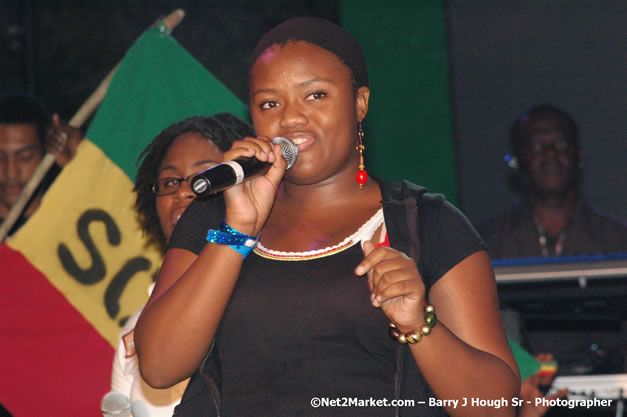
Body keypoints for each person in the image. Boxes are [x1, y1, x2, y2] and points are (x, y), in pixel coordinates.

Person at [134, 17, 520, 417]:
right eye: (270, 103)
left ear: (360, 103)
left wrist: (419, 326)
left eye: (315, 95)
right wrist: (238, 231)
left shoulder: (428, 225)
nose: (292, 118)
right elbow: (160, 367)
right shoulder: (216, 217)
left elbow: (493, 408)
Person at [110, 114, 254, 416]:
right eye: (170, 181)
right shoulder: (137, 327)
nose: (184, 192)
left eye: (205, 176)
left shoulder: (268, 295)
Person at [479, 104, 627, 259]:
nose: (550, 154)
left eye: (561, 144)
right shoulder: (485, 246)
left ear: (579, 155)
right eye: (536, 146)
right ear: (516, 161)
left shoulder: (618, 242)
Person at [0, 92, 82, 236]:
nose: (11, 173)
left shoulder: (73, 225)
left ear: (48, 151)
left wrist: (81, 163)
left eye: (25, 157)